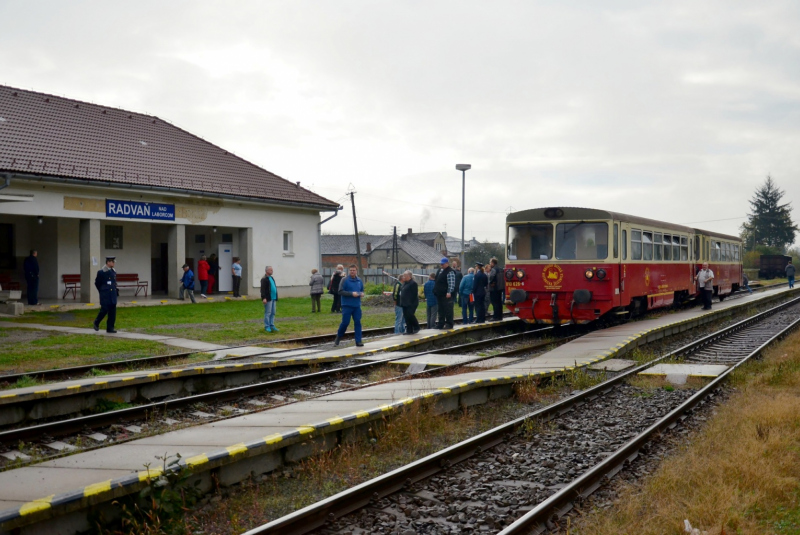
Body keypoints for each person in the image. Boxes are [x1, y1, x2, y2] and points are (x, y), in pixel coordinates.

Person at [335, 264, 365, 347]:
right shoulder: (344, 280)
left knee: (358, 322)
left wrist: (361, 294)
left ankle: (358, 341)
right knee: (345, 323)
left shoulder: (359, 280)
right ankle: (339, 336)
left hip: (356, 306)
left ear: (356, 271)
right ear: (349, 271)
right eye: (351, 270)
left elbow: (362, 290)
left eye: (354, 270)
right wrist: (351, 294)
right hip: (347, 305)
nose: (352, 272)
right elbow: (340, 291)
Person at [93, 256, 118, 333]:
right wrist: (102, 290)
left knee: (112, 312)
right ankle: (96, 322)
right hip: (105, 294)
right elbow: (97, 283)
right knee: (104, 310)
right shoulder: (101, 272)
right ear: (108, 262)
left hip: (112, 294)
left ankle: (110, 328)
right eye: (112, 262)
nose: (114, 263)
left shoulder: (113, 271)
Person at [433, 257, 456, 329]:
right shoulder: (440, 270)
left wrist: (449, 292)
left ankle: (449, 323)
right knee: (441, 310)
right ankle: (441, 323)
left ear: (447, 263)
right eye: (441, 264)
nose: (441, 265)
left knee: (448, 309)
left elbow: (451, 283)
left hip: (446, 294)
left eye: (443, 264)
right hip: (439, 294)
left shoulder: (450, 271)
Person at [400, 270, 420, 334]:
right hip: (404, 303)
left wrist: (410, 302)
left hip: (411, 303)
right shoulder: (404, 283)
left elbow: (414, 294)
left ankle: (416, 326)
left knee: (410, 315)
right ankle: (409, 330)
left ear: (409, 276)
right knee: (406, 317)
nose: (403, 277)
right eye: (403, 276)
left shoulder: (413, 283)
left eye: (405, 276)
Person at [261, 266, 279, 332]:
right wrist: (264, 298)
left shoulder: (271, 278)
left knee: (273, 312)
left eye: (272, 270)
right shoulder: (264, 279)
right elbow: (262, 290)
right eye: (270, 270)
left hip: (273, 298)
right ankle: (267, 326)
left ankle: (272, 325)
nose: (272, 271)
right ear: (267, 271)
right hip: (268, 298)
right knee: (268, 312)